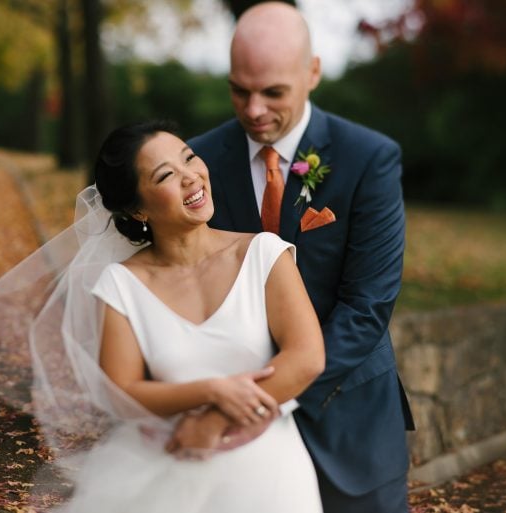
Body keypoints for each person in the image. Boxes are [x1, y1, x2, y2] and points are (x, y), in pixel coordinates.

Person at [0, 120, 326, 512]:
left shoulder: (263, 254)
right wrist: (212, 391)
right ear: (138, 208)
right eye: (166, 175)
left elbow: (306, 358)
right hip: (168, 474)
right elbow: (123, 392)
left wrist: (213, 420)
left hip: (268, 473)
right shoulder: (121, 284)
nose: (191, 177)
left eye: (189, 158)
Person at [183, 3, 416, 512]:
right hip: (229, 435)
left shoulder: (370, 159)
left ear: (312, 72)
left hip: (349, 426)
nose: (253, 109)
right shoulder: (197, 160)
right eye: (239, 90)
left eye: (272, 92)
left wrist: (269, 395)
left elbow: (367, 306)